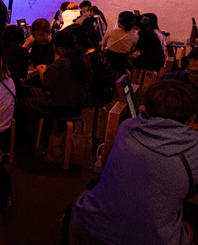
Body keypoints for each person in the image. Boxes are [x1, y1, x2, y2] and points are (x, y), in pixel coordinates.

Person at [70, 80, 198, 245]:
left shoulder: (127, 127)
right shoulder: (194, 147)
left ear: (146, 109)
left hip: (90, 226)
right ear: (192, 118)